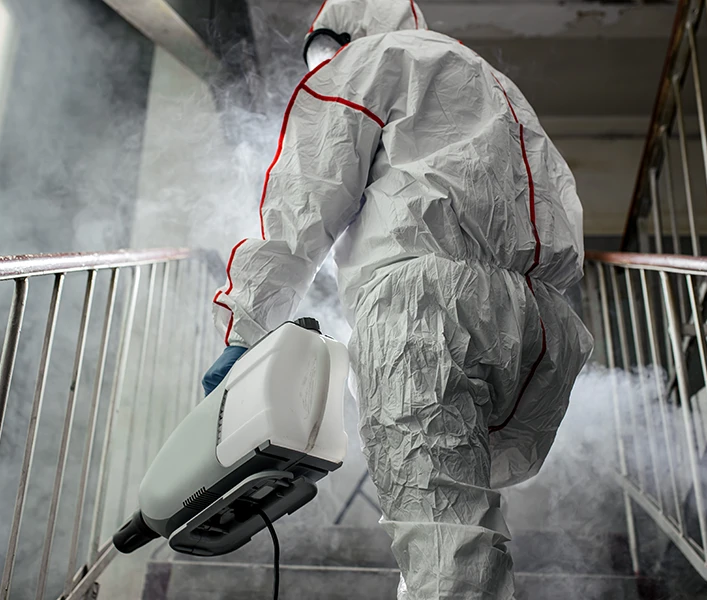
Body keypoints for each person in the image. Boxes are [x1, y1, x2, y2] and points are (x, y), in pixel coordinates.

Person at [203, 0, 593, 597]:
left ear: (346, 32)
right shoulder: (490, 80)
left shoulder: (367, 62)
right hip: (540, 323)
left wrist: (247, 328)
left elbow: (302, 206)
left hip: (425, 312)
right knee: (456, 527)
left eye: (321, 50)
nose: (320, 64)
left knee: (441, 535)